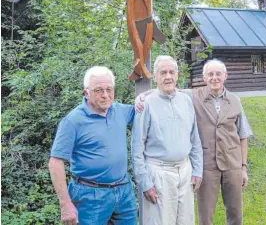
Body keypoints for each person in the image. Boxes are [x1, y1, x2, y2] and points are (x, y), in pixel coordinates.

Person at [136, 59, 253, 225]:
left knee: (235, 213)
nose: (214, 78)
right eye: (210, 74)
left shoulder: (236, 101)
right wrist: (143, 96)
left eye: (218, 74)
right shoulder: (194, 95)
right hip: (208, 165)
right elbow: (169, 88)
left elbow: (243, 135)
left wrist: (243, 167)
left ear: (225, 76)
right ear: (204, 78)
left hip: (232, 164)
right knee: (205, 216)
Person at [49, 66, 137, 225]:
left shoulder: (120, 111)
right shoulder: (72, 121)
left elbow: (146, 109)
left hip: (124, 191)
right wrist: (65, 204)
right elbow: (55, 163)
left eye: (109, 89)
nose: (105, 95)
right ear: (86, 93)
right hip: (89, 196)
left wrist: (147, 95)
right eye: (98, 90)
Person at [132, 55, 203, 225]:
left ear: (177, 75)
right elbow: (137, 148)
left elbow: (195, 140)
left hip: (184, 171)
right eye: (163, 72)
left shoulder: (186, 100)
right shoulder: (146, 104)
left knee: (186, 221)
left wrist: (198, 170)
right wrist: (145, 183)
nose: (168, 76)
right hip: (158, 174)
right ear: (155, 77)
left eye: (172, 72)